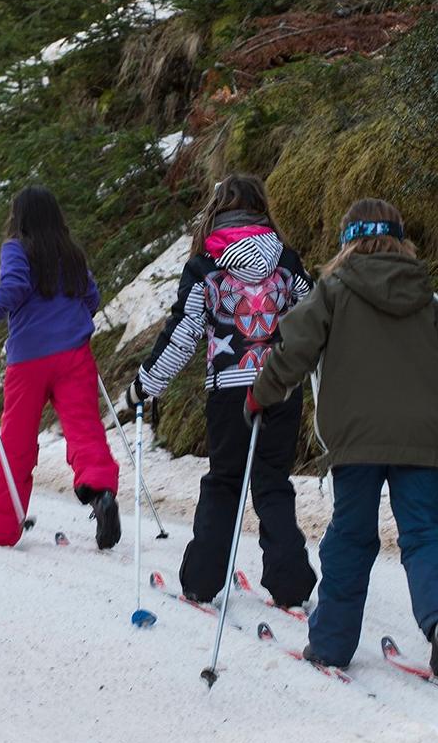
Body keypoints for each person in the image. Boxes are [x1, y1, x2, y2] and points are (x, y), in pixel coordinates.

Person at [247, 199, 438, 678]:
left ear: (346, 242)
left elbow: (294, 349)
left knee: (350, 538)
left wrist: (261, 396)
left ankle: (330, 644)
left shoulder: (332, 291)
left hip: (354, 438)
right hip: (421, 437)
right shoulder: (427, 298)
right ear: (401, 239)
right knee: (425, 532)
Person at [127, 174, 316, 608]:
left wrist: (145, 386)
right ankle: (290, 584)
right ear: (260, 207)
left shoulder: (204, 265)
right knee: (271, 483)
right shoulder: (287, 260)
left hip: (228, 394)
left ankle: (200, 580)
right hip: (282, 387)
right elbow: (312, 317)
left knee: (224, 483)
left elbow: (184, 334)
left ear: (217, 210)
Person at [0, 187, 121, 549]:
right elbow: (91, 296)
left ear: (19, 218)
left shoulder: (17, 248)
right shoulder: (71, 253)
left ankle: (1, 529)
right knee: (85, 430)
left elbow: (14, 286)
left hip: (28, 359)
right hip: (75, 355)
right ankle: (102, 492)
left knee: (15, 441)